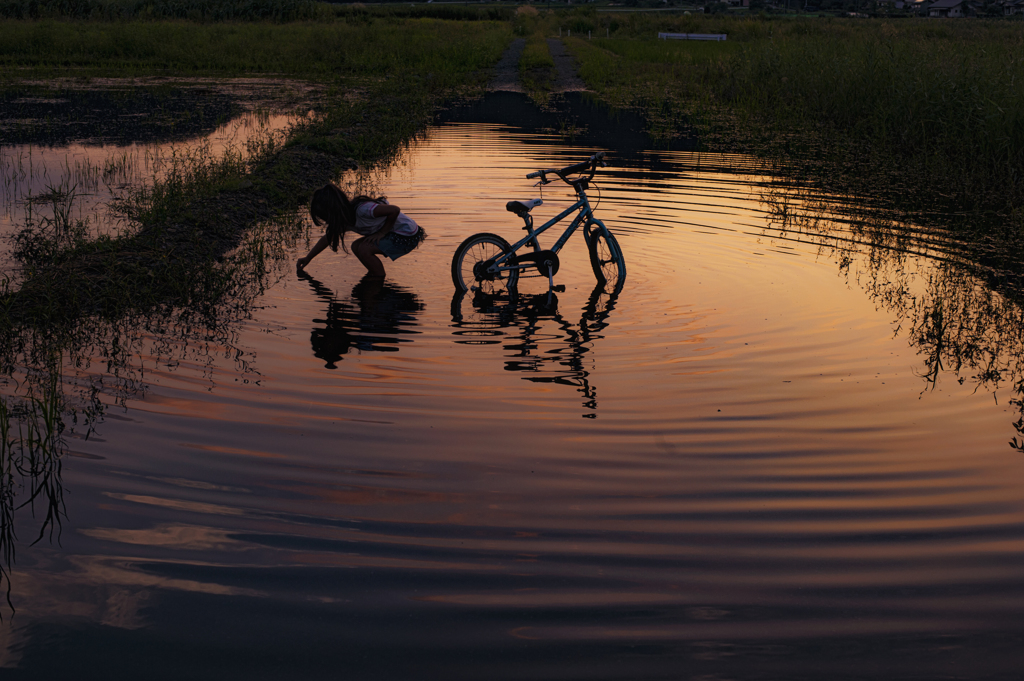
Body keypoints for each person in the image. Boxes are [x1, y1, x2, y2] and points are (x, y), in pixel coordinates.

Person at [297, 183, 426, 277]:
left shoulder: (363, 211)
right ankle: (374, 274)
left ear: (334, 212)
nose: (327, 222)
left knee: (364, 249)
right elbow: (327, 238)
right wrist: (308, 258)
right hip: (396, 233)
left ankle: (378, 279)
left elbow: (394, 210)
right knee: (356, 246)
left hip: (407, 235)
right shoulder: (345, 219)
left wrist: (382, 233)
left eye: (326, 218)